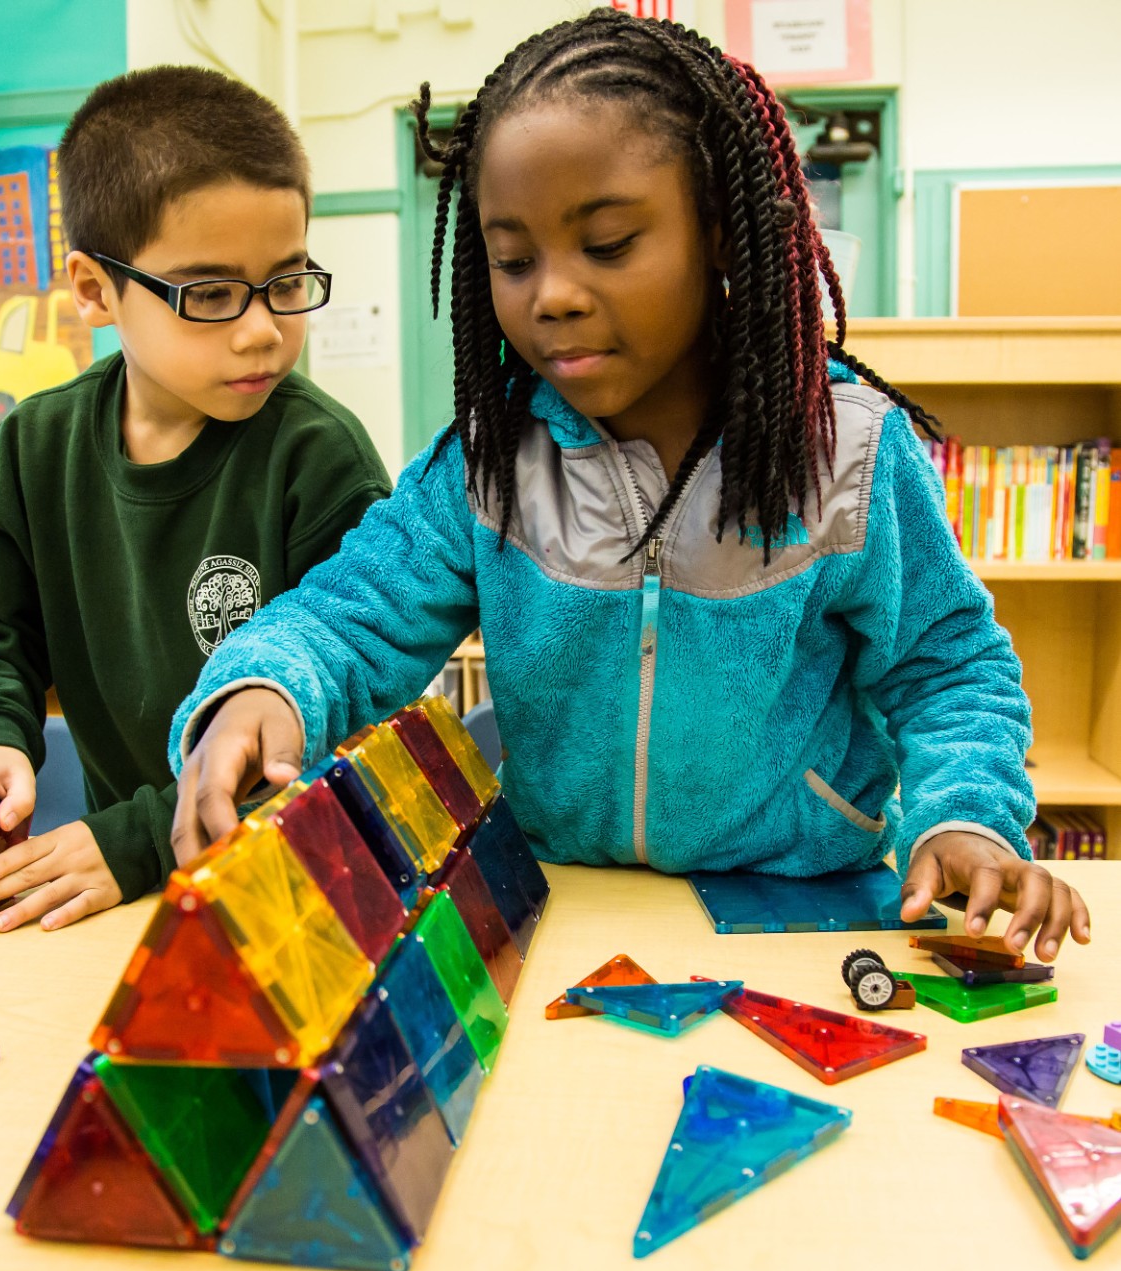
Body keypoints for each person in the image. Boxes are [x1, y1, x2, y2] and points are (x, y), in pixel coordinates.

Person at [167, 9, 1089, 961]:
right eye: (513, 259)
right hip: (568, 914)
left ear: (723, 235)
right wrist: (265, 689)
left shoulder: (844, 452)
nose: (551, 294)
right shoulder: (491, 462)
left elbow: (947, 665)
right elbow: (350, 617)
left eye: (607, 244)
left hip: (804, 922)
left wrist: (963, 817)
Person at [0, 66, 391, 932]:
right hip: (129, 911)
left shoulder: (319, 457)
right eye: (208, 294)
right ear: (95, 290)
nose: (262, 329)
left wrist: (136, 841)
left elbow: (354, 717)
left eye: (286, 282)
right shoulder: (34, 450)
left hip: (300, 896)